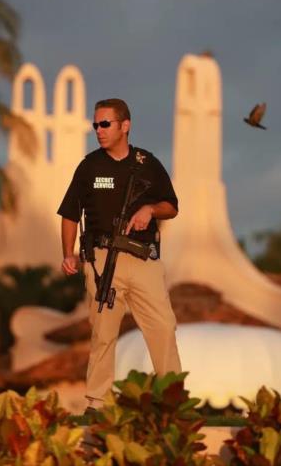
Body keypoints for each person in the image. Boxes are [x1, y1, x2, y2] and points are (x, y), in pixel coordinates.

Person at [57, 98, 182, 412]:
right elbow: (69, 213)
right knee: (103, 333)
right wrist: (68, 254)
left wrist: (149, 209)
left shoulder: (147, 163)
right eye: (95, 125)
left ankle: (173, 400)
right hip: (102, 260)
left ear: (125, 126)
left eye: (105, 124)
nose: (98, 130)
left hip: (143, 260)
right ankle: (97, 403)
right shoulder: (89, 167)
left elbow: (171, 206)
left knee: (163, 327)